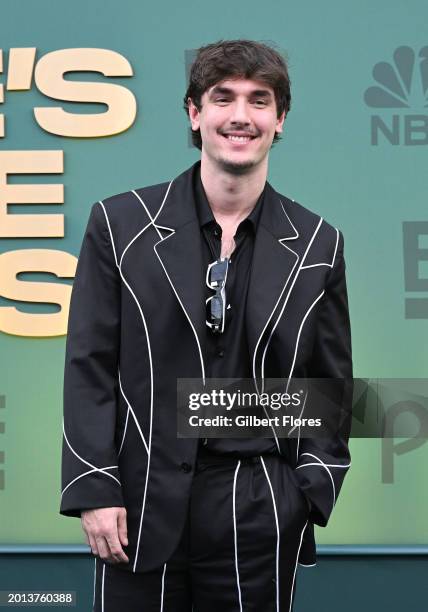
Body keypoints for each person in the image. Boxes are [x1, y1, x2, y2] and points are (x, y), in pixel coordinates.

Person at [60, 39, 353, 611]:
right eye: (223, 98)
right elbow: (89, 366)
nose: (240, 115)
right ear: (195, 113)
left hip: (259, 511)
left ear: (280, 119)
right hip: (137, 508)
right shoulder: (120, 225)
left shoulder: (318, 243)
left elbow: (330, 386)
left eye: (259, 100)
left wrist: (306, 492)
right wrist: (95, 486)